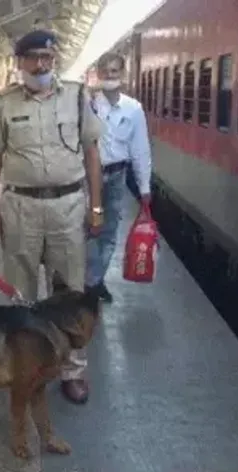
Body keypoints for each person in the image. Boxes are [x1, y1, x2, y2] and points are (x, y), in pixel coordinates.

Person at [0, 30, 104, 406]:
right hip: (20, 207)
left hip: (68, 205)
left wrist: (95, 207)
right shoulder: (4, 104)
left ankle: (73, 370)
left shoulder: (77, 97)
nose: (41, 64)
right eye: (32, 57)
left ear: (55, 59)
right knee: (22, 292)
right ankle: (26, 364)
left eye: (47, 57)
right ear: (19, 63)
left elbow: (91, 152)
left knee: (70, 291)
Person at [86, 52, 152, 303]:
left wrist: (144, 185)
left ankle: (95, 281)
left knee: (110, 231)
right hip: (88, 177)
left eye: (115, 71)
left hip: (116, 175)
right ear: (99, 74)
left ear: (122, 75)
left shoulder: (133, 109)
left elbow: (140, 148)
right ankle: (88, 280)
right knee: (89, 227)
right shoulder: (89, 105)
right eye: (106, 71)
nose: (110, 76)